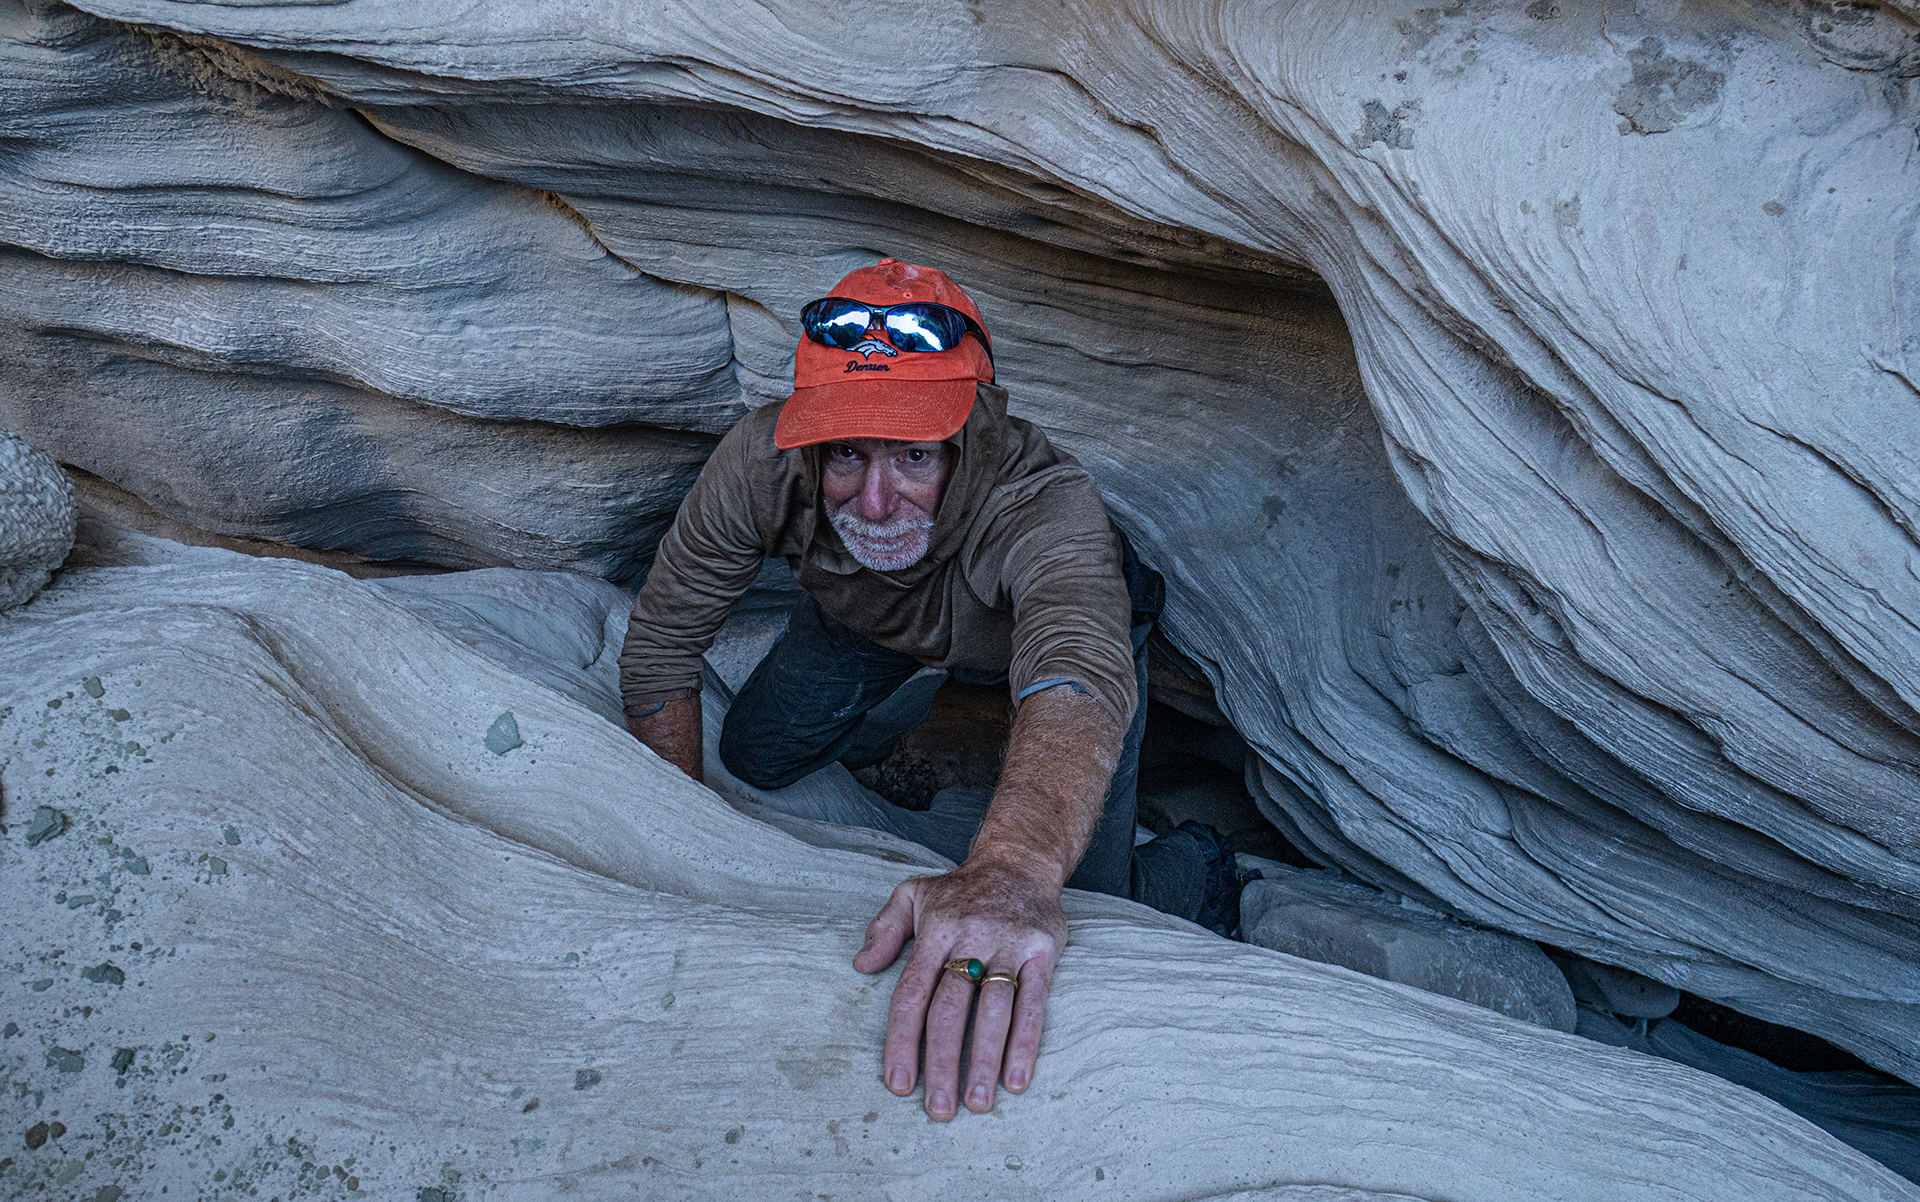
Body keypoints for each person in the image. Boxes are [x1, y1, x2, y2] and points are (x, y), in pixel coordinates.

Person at [618, 258, 1235, 1122]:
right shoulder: (763, 462)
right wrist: (671, 848)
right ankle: (894, 739)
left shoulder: (1046, 503)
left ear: (973, 436)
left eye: (914, 454)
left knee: (1087, 901)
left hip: (1030, 645)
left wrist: (1012, 871)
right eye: (846, 453)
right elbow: (661, 649)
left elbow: (1077, 674)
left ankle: (1198, 862)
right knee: (753, 755)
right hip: (864, 619)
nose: (875, 503)